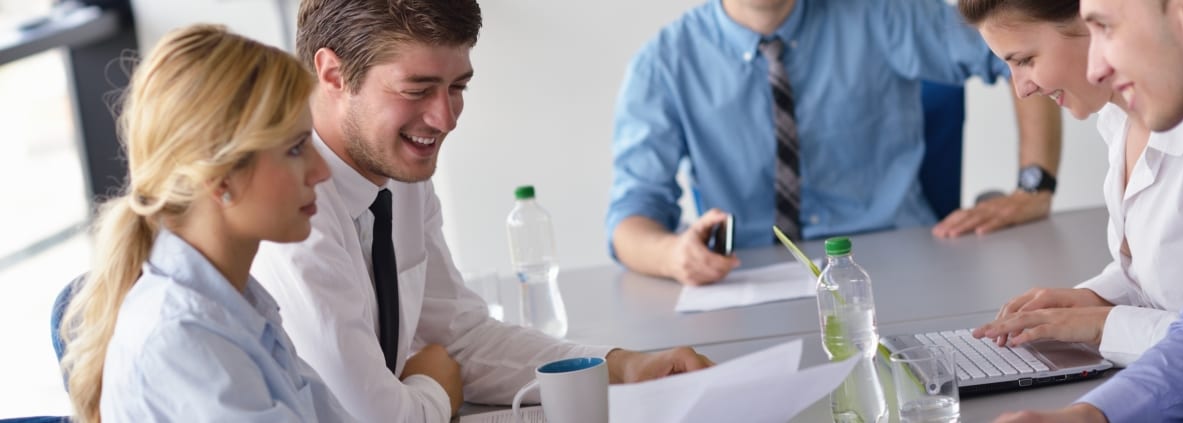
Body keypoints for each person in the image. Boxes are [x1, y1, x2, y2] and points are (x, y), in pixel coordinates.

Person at [250, 1, 714, 422]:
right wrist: (434, 386)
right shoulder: (291, 216)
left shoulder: (398, 172)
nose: (446, 119)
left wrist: (619, 366)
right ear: (332, 74)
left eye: (457, 86)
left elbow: (460, 337)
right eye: (418, 89)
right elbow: (371, 418)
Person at [605, 0, 1063, 286]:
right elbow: (631, 219)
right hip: (749, 282)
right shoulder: (662, 66)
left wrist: (1034, 184)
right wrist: (672, 255)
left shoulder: (881, 13)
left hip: (904, 267)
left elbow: (1016, 48)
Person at [57, 25, 351, 422]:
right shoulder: (181, 339)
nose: (320, 171)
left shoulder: (237, 299)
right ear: (220, 177)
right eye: (296, 148)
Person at [955, 0, 1183, 367]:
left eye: (1025, 60)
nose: (1022, 89)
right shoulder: (1115, 120)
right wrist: (1095, 298)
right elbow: (1161, 281)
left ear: (1093, 22)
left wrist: (1103, 326)